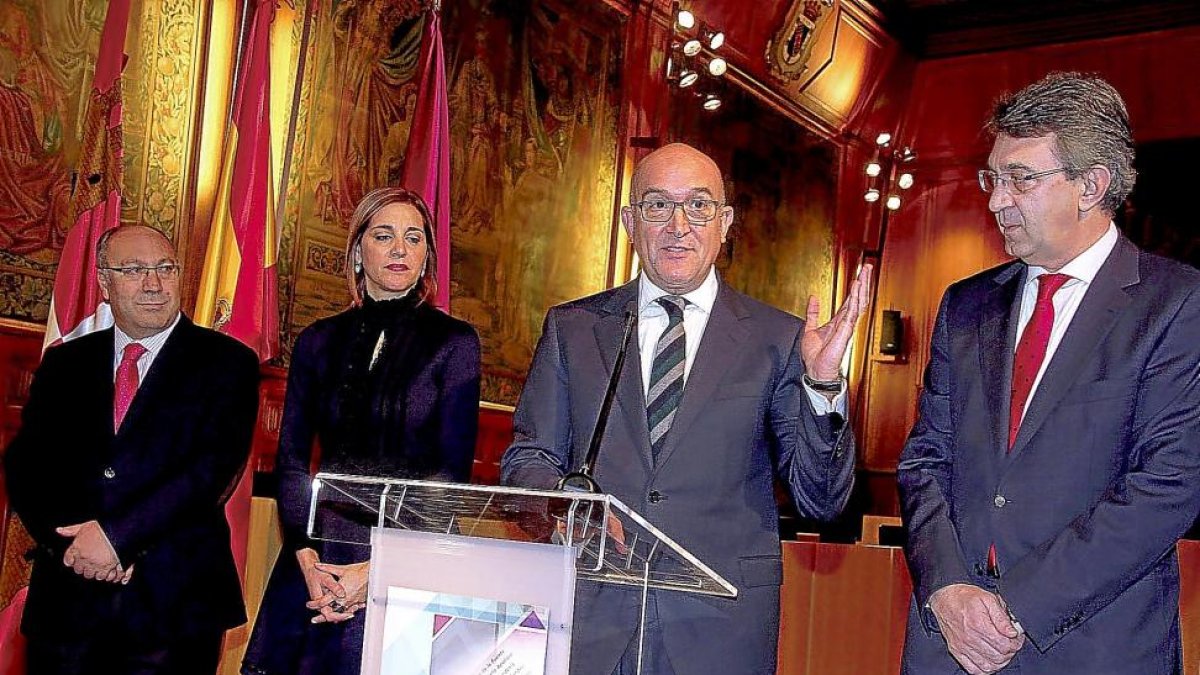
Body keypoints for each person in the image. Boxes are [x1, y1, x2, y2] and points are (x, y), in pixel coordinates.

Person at [501, 142, 871, 675]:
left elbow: (822, 501)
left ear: (724, 223)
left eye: (698, 206)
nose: (679, 224)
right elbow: (529, 457)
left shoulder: (780, 339)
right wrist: (566, 507)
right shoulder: (574, 328)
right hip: (593, 616)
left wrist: (822, 384)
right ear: (631, 221)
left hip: (720, 627)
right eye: (657, 205)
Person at [898, 72, 1200, 675]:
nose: (996, 199)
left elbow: (1168, 484)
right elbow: (924, 460)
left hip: (1093, 645)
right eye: (994, 177)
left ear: (1091, 185)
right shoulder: (965, 304)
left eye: (1021, 179)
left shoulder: (1178, 304)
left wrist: (1017, 606)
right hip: (948, 641)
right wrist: (948, 590)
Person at [242, 187, 481, 675]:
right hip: (319, 554)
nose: (399, 249)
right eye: (384, 235)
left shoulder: (455, 343)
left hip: (412, 554)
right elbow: (291, 458)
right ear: (357, 252)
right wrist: (305, 556)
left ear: (426, 258)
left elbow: (450, 477)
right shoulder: (317, 340)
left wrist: (378, 573)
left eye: (413, 238)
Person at [4, 224, 260, 674]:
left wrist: (118, 540)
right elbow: (27, 466)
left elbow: (208, 472)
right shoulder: (65, 363)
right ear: (104, 282)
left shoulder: (228, 363)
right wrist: (72, 545)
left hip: (172, 606)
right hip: (68, 601)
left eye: (165, 268)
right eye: (134, 270)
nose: (154, 284)